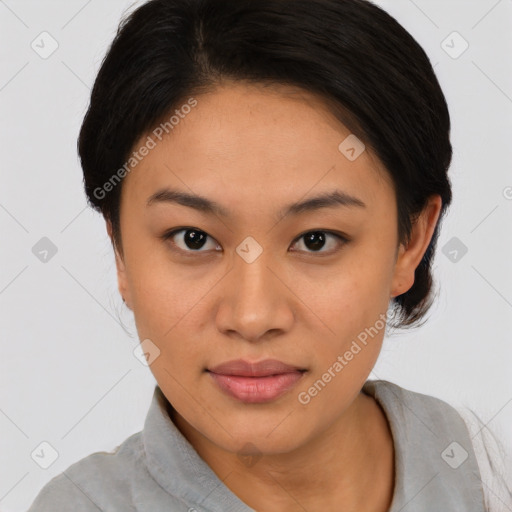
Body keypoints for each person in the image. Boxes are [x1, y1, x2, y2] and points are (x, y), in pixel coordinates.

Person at [27, 0, 511, 510]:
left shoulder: (486, 472)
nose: (253, 316)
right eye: (193, 238)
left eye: (316, 240)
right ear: (120, 250)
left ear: (409, 241)